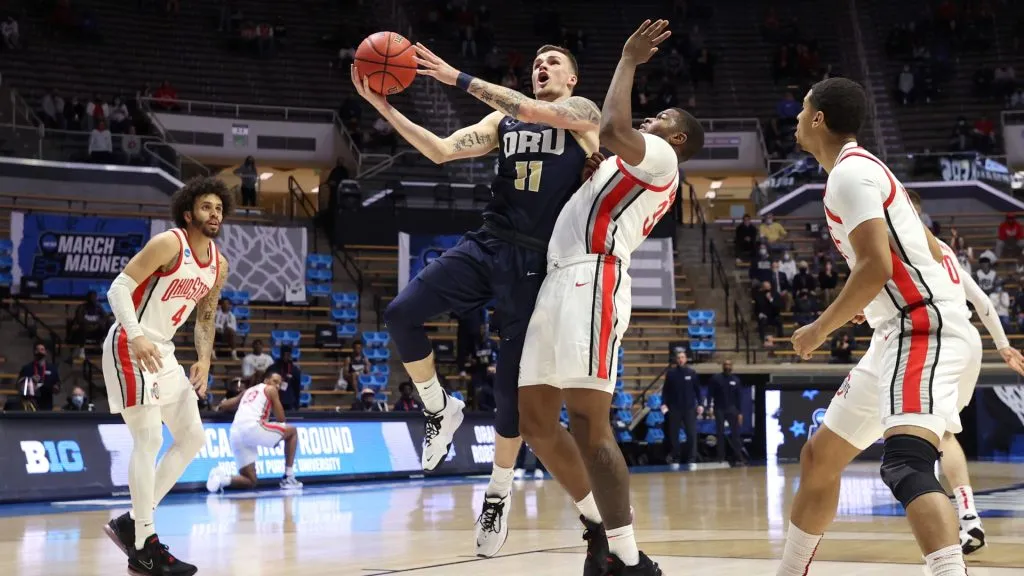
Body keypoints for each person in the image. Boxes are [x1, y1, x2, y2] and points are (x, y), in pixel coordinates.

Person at [352, 33, 601, 558]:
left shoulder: (582, 113)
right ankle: (440, 407)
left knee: (511, 396)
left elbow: (536, 109)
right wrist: (382, 104)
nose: (542, 66)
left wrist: (456, 77)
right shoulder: (502, 122)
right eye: (536, 61)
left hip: (539, 263)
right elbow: (441, 151)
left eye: (552, 62)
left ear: (571, 78)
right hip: (488, 243)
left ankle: (498, 493)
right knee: (401, 314)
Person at [518, 20, 704, 576]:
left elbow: (615, 123)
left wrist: (628, 60)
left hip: (592, 281)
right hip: (557, 281)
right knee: (536, 422)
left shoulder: (662, 161)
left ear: (675, 140)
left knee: (588, 422)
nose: (653, 121)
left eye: (662, 121)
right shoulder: (619, 165)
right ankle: (597, 528)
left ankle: (628, 559)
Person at [780, 77, 981, 576]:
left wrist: (820, 328)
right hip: (894, 332)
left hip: (922, 330)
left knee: (906, 463)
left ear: (819, 118)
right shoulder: (860, 171)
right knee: (818, 458)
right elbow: (919, 250)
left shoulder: (850, 174)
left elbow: (875, 267)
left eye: (803, 110)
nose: (797, 119)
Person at [100, 177, 232, 576]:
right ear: (189, 213)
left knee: (193, 437)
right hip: (130, 342)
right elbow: (118, 288)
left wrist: (205, 360)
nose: (215, 215)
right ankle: (144, 544)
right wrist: (137, 336)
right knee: (150, 437)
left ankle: (133, 522)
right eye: (207, 207)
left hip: (167, 353)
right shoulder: (169, 243)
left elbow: (206, 318)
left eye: (220, 209)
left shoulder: (219, 264)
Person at [909, 190, 1024, 554]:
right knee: (942, 430)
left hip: (943, 339)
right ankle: (968, 516)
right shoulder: (944, 250)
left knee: (937, 433)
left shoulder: (904, 242)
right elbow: (982, 301)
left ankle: (966, 518)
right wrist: (1003, 344)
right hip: (970, 341)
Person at [206, 371, 302, 492]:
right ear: (266, 381)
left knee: (250, 480)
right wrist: (278, 437)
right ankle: (288, 477)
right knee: (292, 431)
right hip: (253, 427)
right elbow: (281, 419)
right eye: (275, 381)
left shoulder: (248, 391)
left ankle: (221, 479)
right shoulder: (270, 390)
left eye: (279, 383)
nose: (277, 386)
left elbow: (226, 404)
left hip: (235, 433)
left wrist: (219, 407)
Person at [661, 350, 699, 466]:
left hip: (689, 409)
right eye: (679, 358)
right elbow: (665, 391)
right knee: (674, 434)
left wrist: (701, 404)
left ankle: (691, 457)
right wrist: (664, 403)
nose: (681, 359)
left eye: (683, 357)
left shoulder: (691, 373)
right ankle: (675, 456)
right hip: (674, 408)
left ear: (686, 359)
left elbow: (697, 390)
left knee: (691, 433)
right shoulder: (671, 373)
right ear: (676, 360)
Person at [707, 360, 746, 464]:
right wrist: (709, 408)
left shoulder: (736, 380)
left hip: (732, 409)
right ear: (722, 366)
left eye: (729, 365)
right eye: (725, 365)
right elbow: (710, 394)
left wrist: (740, 413)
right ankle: (720, 457)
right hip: (719, 409)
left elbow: (739, 398)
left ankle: (738, 456)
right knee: (720, 433)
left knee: (735, 434)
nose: (727, 366)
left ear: (732, 366)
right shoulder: (716, 379)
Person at [18, 342, 61, 411]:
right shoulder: (26, 368)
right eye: (37, 350)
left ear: (46, 352)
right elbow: (19, 385)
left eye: (42, 349)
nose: (40, 352)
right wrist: (30, 381)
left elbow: (57, 383)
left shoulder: (52, 369)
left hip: (47, 402)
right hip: (30, 402)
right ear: (34, 352)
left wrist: (56, 387)